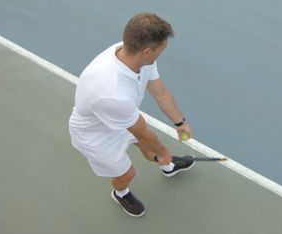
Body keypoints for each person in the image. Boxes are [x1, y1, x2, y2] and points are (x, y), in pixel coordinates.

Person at [68, 12, 194, 217]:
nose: (161, 54)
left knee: (147, 147)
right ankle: (120, 193)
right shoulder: (113, 93)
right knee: (127, 172)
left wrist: (180, 122)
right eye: (160, 51)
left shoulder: (132, 51)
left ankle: (168, 167)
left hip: (119, 116)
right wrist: (162, 152)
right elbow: (142, 132)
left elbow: (160, 92)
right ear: (146, 51)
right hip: (95, 135)